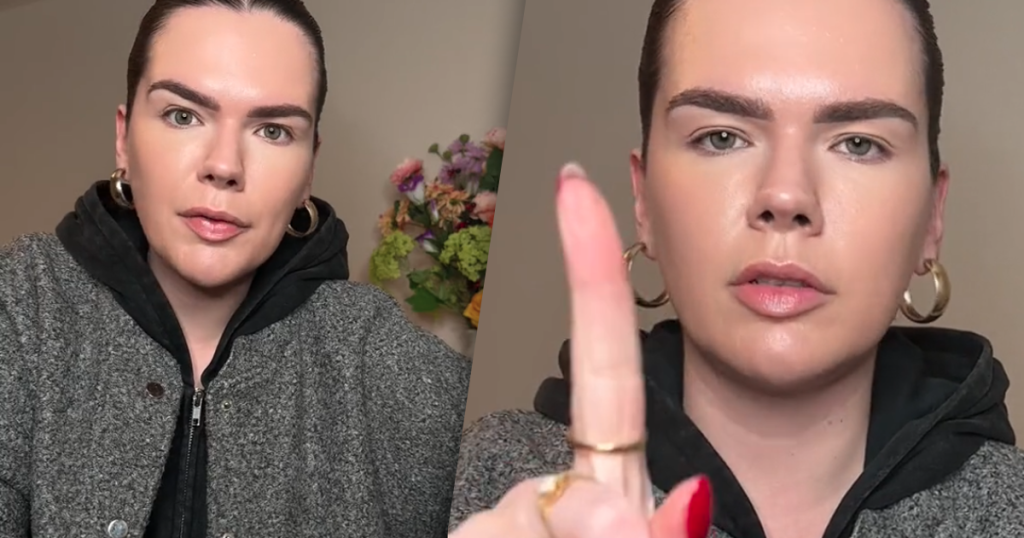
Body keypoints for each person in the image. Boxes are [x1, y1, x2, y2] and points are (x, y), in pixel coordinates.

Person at [448, 0, 1024, 537]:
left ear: (932, 217)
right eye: (721, 137)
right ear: (644, 201)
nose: (786, 195)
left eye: (858, 144)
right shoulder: (472, 476)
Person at [0, 1, 470, 537]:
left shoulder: (375, 353)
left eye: (272, 131)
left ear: (309, 168)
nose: (224, 166)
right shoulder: (25, 305)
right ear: (124, 139)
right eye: (183, 115)